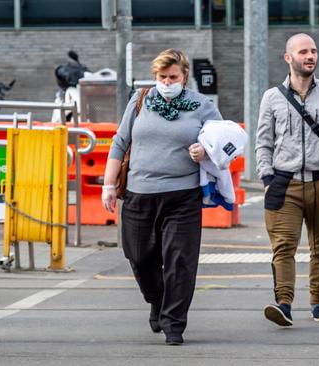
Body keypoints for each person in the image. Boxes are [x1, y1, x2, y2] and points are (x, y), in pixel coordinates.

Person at [102, 49, 222, 345]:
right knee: (139, 255)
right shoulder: (141, 99)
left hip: (183, 195)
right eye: (162, 77)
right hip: (139, 192)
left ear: (184, 76)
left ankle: (174, 324)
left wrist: (205, 150)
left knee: (179, 259)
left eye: (173, 77)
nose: (167, 82)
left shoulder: (201, 104)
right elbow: (120, 142)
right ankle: (156, 299)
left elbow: (225, 138)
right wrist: (108, 185)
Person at [255, 33, 319, 327]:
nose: (310, 56)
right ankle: (284, 303)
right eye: (303, 52)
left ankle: (317, 301)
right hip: (285, 182)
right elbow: (263, 141)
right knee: (283, 246)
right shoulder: (272, 97)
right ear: (289, 58)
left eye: (313, 51)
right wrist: (267, 177)